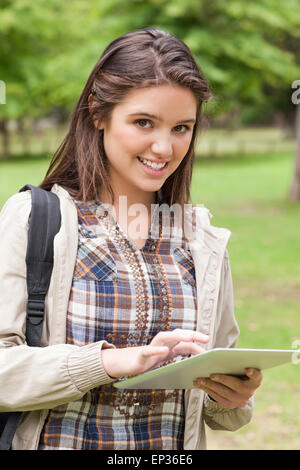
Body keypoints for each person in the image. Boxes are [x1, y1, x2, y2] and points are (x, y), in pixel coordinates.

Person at [0, 27, 262, 450]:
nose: (164, 147)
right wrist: (108, 362)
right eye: (144, 122)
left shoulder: (201, 238)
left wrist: (230, 396)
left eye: (182, 128)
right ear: (97, 114)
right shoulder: (36, 219)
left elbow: (222, 410)